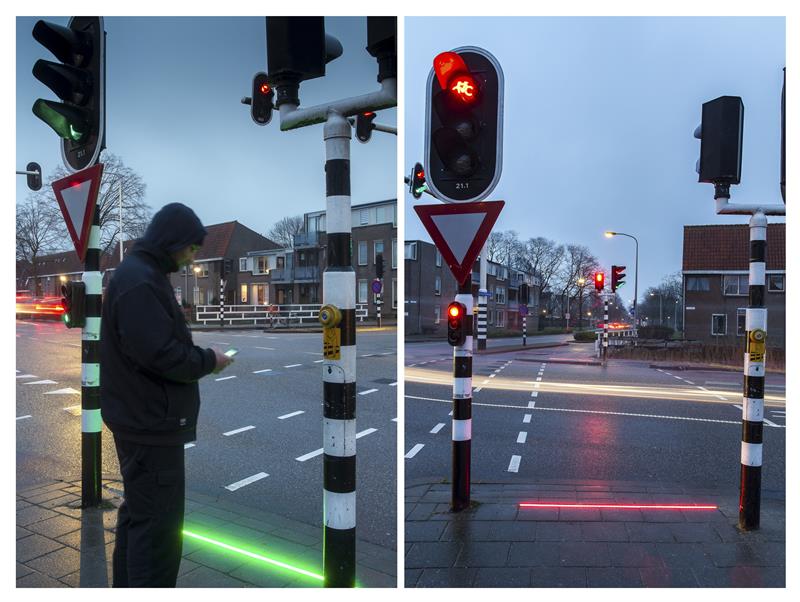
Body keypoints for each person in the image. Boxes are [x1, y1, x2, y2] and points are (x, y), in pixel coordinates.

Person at [100, 202, 233, 587]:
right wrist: (209, 359)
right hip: (151, 424)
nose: (192, 257)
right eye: (191, 248)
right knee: (157, 531)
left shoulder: (138, 274)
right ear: (172, 241)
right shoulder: (141, 281)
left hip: (142, 420)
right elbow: (160, 354)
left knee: (139, 518)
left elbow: (151, 344)